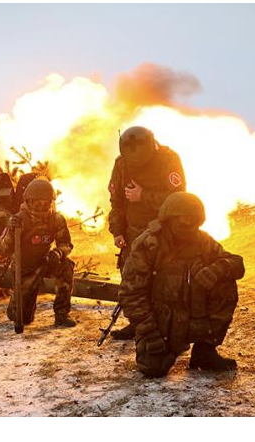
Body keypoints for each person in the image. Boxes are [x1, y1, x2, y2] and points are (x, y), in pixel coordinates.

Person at [119, 192, 244, 377]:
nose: (189, 225)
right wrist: (149, 333)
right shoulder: (150, 245)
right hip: (162, 323)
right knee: (153, 368)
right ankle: (168, 346)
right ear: (170, 219)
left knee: (226, 285)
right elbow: (131, 295)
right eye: (184, 219)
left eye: (194, 220)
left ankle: (205, 351)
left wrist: (218, 269)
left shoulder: (203, 241)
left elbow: (237, 264)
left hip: (194, 316)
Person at [108, 126, 186, 340]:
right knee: (132, 281)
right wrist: (117, 231)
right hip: (132, 234)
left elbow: (178, 199)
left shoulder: (168, 159)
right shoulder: (121, 164)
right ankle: (138, 323)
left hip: (163, 232)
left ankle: (166, 326)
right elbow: (117, 203)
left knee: (164, 281)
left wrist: (143, 195)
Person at [0, 178, 77, 327]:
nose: (41, 207)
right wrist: (11, 232)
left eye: (45, 203)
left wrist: (58, 253)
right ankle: (15, 305)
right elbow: (3, 249)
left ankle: (62, 314)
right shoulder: (18, 220)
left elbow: (66, 244)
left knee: (66, 266)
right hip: (25, 268)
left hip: (46, 261)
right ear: (29, 202)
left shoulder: (56, 219)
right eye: (37, 203)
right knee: (23, 318)